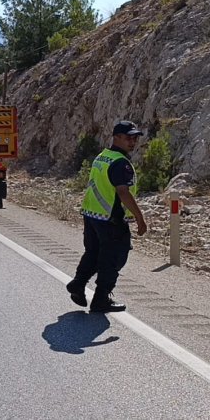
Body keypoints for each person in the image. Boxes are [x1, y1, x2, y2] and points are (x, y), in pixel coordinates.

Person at [67, 120, 148, 313]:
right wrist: (139, 217)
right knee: (113, 259)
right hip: (111, 219)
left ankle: (78, 284)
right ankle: (101, 298)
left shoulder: (103, 156)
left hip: (92, 215)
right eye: (128, 137)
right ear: (116, 137)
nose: (133, 141)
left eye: (135, 137)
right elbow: (123, 193)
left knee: (94, 253)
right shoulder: (121, 163)